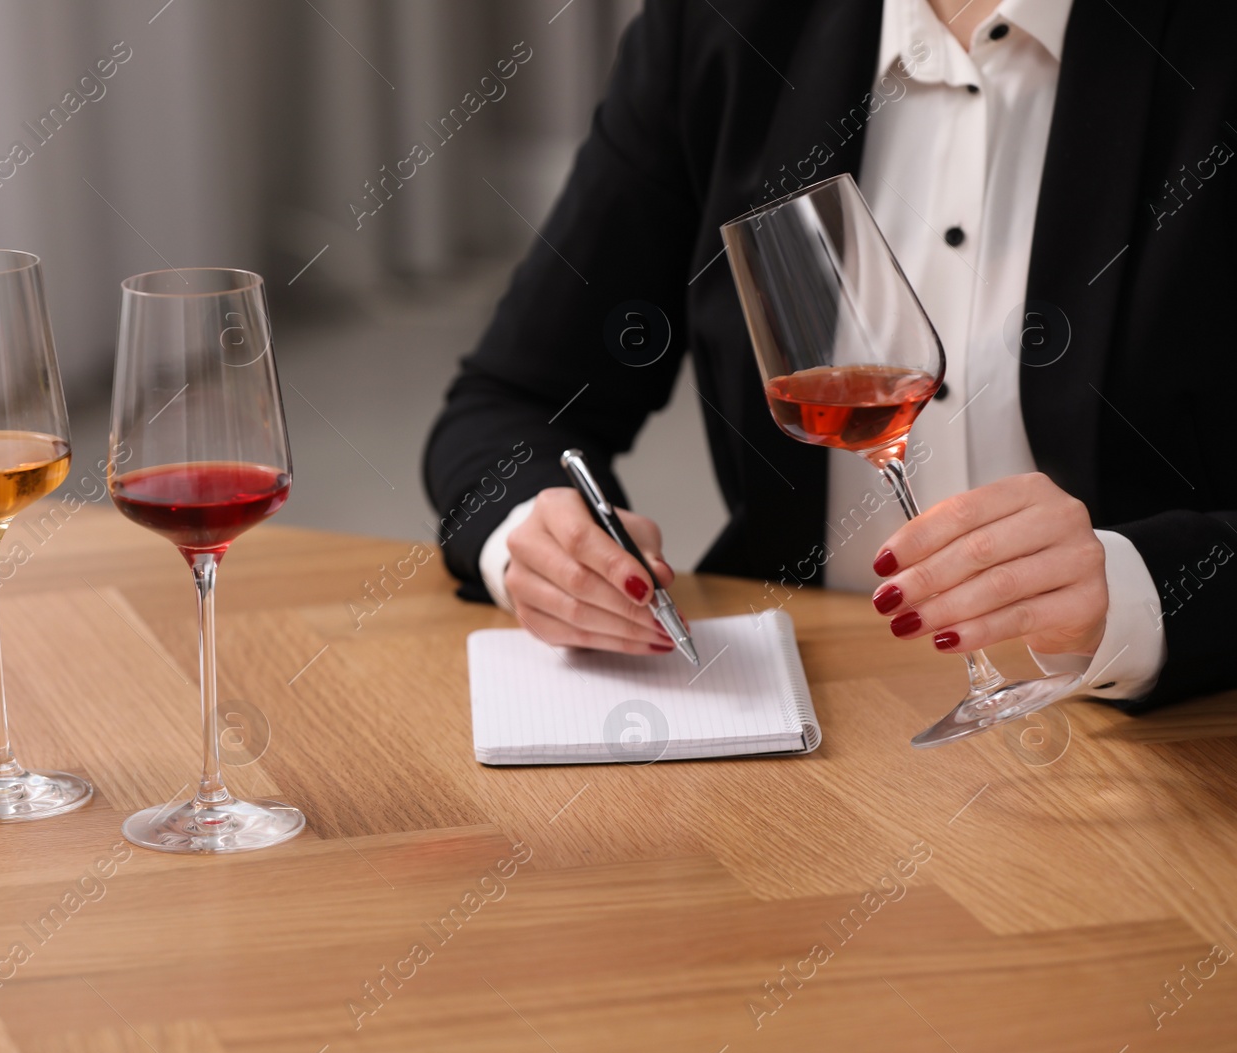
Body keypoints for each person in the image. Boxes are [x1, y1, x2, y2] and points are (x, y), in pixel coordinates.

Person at [423, 0, 1236, 709]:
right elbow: (511, 401)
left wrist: (1133, 591)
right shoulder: (720, 23)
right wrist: (533, 538)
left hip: (1162, 747)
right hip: (813, 729)